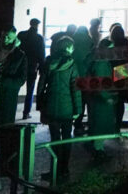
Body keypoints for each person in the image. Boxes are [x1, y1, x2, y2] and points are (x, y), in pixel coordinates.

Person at [37, 35, 81, 181]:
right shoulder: (72, 64)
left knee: (55, 139)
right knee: (67, 138)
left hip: (51, 106)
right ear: (68, 47)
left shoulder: (49, 62)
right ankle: (64, 170)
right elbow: (75, 89)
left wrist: (40, 106)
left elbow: (41, 86)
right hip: (67, 108)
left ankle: (54, 170)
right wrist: (78, 110)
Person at [87, 37, 118, 157]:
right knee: (100, 124)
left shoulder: (101, 61)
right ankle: (98, 149)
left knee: (99, 124)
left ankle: (97, 147)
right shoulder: (102, 63)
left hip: (101, 98)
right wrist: (107, 97)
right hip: (102, 99)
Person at [0, 27, 27, 128]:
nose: (5, 39)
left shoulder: (20, 55)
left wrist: (3, 80)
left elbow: (21, 79)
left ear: (14, 38)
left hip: (8, 94)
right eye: (3, 36)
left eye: (8, 37)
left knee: (6, 126)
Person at [18, 19, 45, 119]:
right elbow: (41, 55)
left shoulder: (21, 35)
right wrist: (42, 69)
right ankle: (26, 112)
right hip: (32, 67)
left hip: (20, 66)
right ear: (37, 25)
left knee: (16, 87)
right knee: (30, 90)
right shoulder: (39, 38)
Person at [71, 26, 94, 134]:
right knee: (86, 100)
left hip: (74, 75)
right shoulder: (90, 41)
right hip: (87, 77)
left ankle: (76, 123)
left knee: (76, 100)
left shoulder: (73, 40)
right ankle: (83, 125)